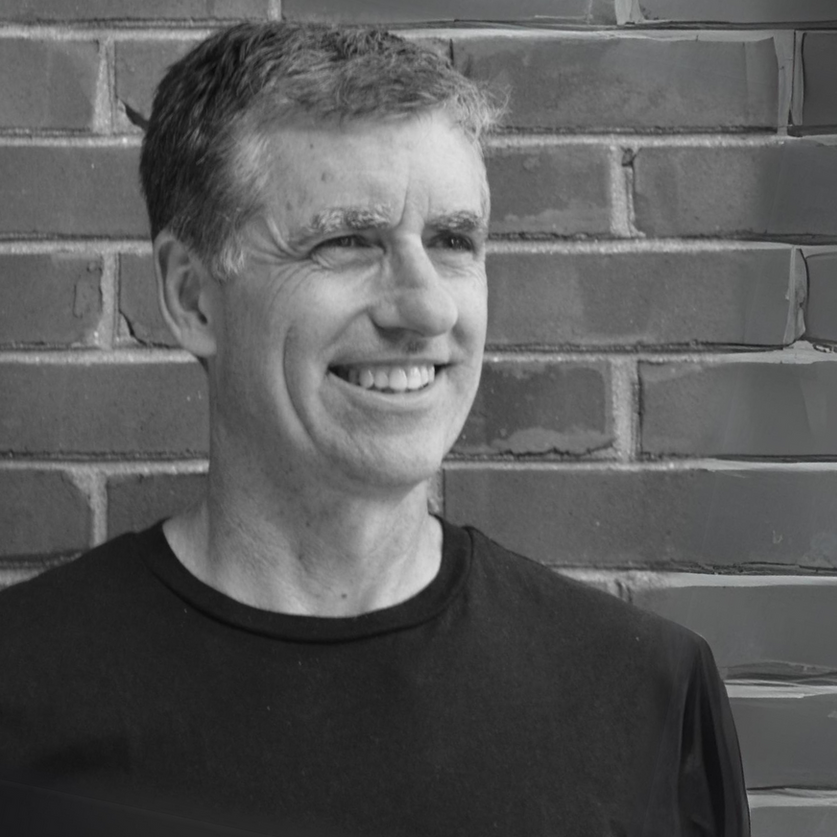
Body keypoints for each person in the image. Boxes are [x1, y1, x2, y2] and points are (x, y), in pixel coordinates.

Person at [0, 21, 750, 837]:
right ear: (190, 297)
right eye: (349, 240)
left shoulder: (642, 696)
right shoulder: (22, 690)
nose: (426, 306)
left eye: (453, 241)